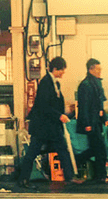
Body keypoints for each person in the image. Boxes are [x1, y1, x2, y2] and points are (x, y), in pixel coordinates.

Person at [17, 56, 74, 187]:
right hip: (43, 126)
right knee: (33, 152)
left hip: (52, 126)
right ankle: (23, 179)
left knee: (62, 149)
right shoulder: (45, 83)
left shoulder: (55, 83)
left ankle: (70, 176)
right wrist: (60, 116)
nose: (63, 73)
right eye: (62, 70)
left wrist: (63, 113)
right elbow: (44, 105)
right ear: (55, 69)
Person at [75, 58, 108, 183]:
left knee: (96, 149)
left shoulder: (96, 83)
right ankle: (101, 176)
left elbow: (99, 104)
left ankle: (78, 160)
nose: (100, 71)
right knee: (100, 149)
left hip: (96, 121)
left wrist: (104, 117)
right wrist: (87, 124)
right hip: (91, 122)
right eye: (98, 69)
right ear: (91, 69)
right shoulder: (86, 85)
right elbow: (83, 106)